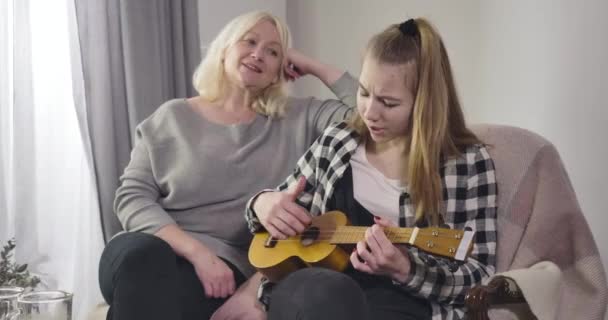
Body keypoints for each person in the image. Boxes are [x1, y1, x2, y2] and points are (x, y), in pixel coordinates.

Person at [98, 11, 358, 320]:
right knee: (144, 261)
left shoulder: (298, 118)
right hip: (150, 253)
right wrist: (198, 254)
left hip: (227, 273)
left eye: (273, 52)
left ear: (280, 69)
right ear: (224, 50)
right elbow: (130, 197)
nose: (258, 54)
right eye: (249, 42)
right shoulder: (171, 118)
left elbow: (368, 113)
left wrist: (312, 65)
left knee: (161, 299)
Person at [247, 17, 498, 320]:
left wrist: (407, 270)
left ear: (425, 104)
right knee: (317, 293)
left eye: (388, 103)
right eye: (364, 93)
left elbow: (480, 276)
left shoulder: (467, 164)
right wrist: (262, 203)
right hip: (315, 292)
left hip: (403, 304)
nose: (369, 112)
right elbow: (274, 220)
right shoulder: (337, 141)